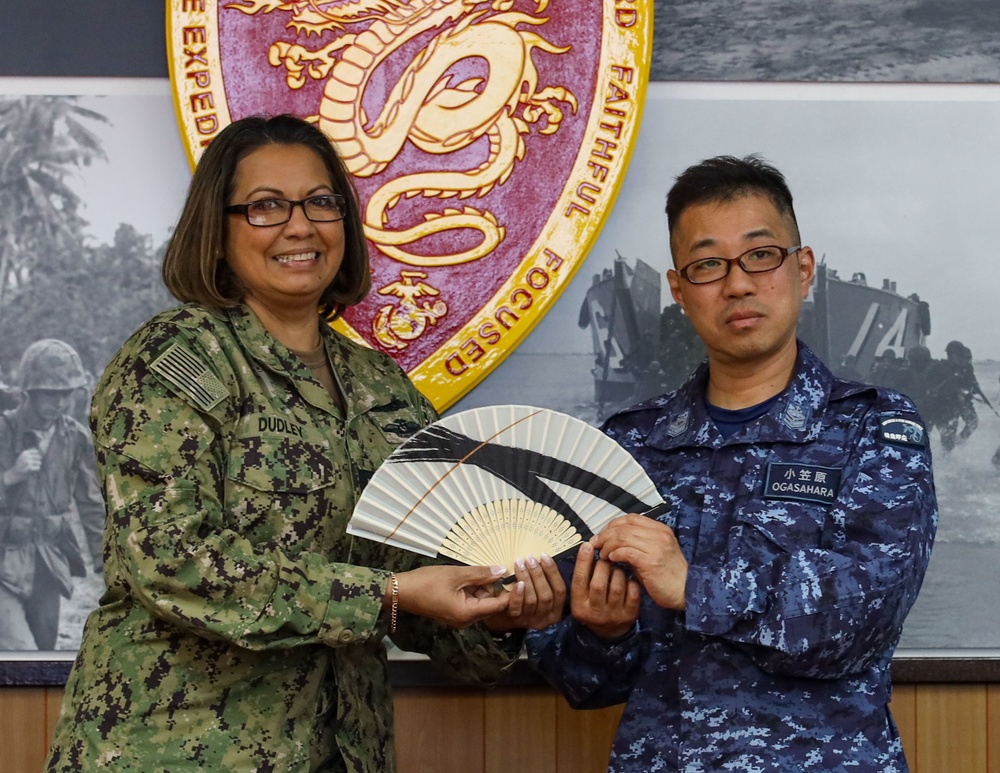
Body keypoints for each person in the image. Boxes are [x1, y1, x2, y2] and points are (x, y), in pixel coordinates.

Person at [45, 114, 564, 772]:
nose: (300, 226)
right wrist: (385, 595)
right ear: (219, 227)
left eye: (321, 202)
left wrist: (502, 613)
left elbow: (423, 590)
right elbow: (175, 560)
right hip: (176, 749)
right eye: (266, 206)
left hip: (341, 752)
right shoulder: (174, 360)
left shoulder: (383, 387)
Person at [527, 155, 938, 772]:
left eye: (761, 255)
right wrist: (600, 634)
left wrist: (690, 586)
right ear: (680, 290)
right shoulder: (628, 445)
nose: (738, 284)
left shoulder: (874, 428)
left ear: (803, 270)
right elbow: (584, 683)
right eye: (708, 264)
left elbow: (859, 621)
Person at [0, 338, 104, 650]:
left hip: (48, 561)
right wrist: (9, 477)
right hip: (4, 557)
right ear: (28, 392)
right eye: (51, 393)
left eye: (66, 394)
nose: (59, 402)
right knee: (20, 650)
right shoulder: (4, 431)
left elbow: (90, 503)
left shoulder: (75, 438)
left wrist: (104, 562)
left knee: (43, 654)